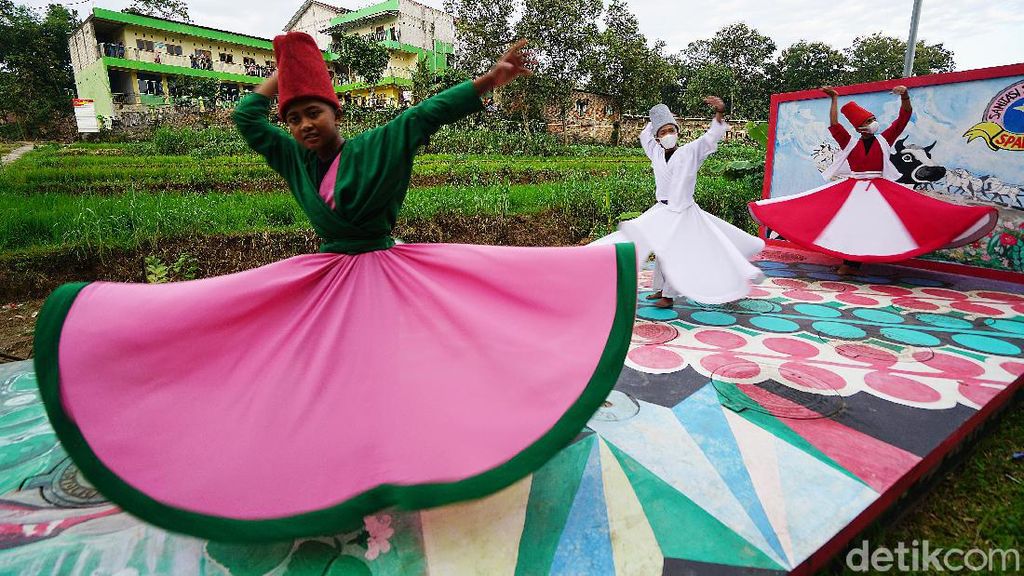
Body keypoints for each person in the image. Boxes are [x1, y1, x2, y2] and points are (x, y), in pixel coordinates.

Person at [33, 32, 636, 542]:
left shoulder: (380, 146)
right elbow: (245, 117)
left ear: (336, 112)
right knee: (324, 374)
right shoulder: (292, 158)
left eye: (312, 113)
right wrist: (280, 77)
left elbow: (426, 114)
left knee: (406, 368)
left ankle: (419, 453)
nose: (302, 126)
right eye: (294, 119)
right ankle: (329, 465)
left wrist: (490, 81)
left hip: (384, 272)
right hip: (327, 279)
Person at [749, 86, 997, 275]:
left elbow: (904, 118)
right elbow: (834, 124)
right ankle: (850, 262)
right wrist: (834, 100)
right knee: (846, 224)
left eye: (870, 120)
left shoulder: (885, 138)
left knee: (897, 219)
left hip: (879, 187)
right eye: (867, 122)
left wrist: (905, 96)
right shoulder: (850, 142)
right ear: (859, 127)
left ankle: (870, 259)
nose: (871, 123)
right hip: (854, 188)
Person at [593, 97, 765, 306]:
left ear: (677, 132)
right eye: (662, 132)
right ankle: (660, 289)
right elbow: (644, 135)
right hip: (662, 209)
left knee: (675, 252)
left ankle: (669, 295)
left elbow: (711, 137)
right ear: (657, 137)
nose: (667, 135)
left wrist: (719, 112)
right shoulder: (655, 153)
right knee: (657, 246)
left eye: (670, 130)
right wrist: (657, 116)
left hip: (683, 211)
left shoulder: (689, 152)